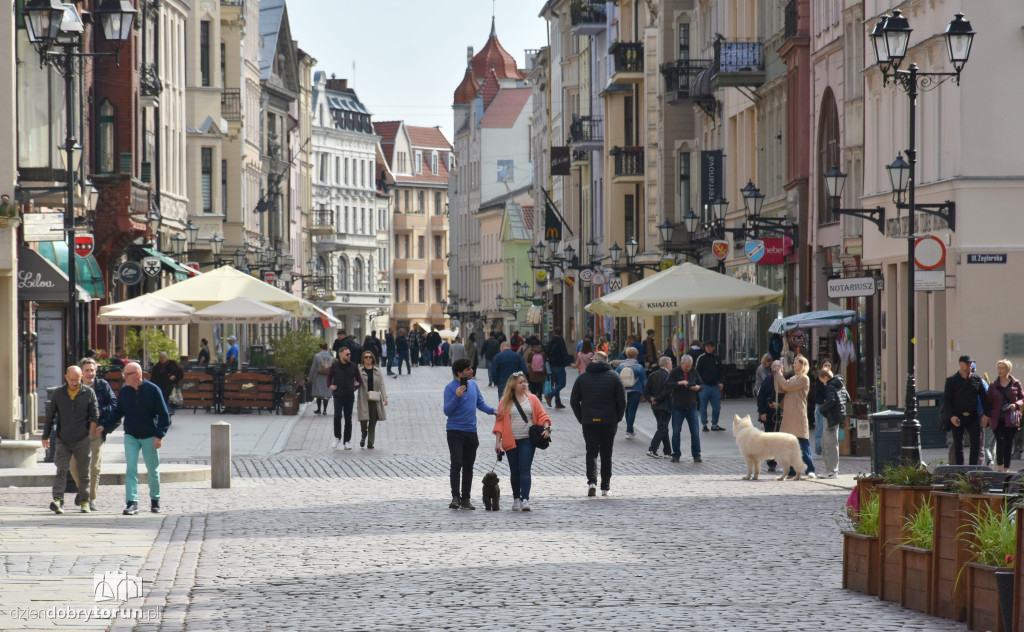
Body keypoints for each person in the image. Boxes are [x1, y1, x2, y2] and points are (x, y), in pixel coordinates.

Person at [95, 362, 170, 515]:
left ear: (137, 374)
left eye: (126, 374)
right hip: (131, 435)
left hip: (150, 434)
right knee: (131, 468)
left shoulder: (153, 390)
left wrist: (159, 435)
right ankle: (132, 502)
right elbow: (118, 412)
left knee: (153, 470)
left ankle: (155, 500)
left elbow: (164, 415)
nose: (124, 377)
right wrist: (104, 425)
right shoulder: (124, 392)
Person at [42, 366, 98, 514]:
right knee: (61, 470)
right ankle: (58, 500)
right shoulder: (59, 393)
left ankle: (84, 501)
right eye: (72, 380)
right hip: (63, 439)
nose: (74, 383)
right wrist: (45, 436)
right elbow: (50, 416)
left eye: (77, 380)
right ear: (66, 377)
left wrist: (90, 435)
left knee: (83, 472)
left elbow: (95, 415)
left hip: (82, 438)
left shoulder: (88, 392)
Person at [444, 358, 498, 509]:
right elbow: (447, 410)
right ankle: (455, 497)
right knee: (456, 463)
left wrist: (493, 411)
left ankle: (466, 499)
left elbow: (480, 403)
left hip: (471, 432)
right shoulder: (450, 388)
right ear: (459, 372)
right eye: (469, 369)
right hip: (455, 431)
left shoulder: (473, 385)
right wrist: (457, 397)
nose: (472, 371)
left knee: (468, 466)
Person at [493, 372, 551, 511]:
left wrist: (547, 428)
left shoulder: (532, 399)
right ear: (513, 385)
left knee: (525, 469)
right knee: (514, 471)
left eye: (524, 382)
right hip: (510, 440)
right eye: (520, 382)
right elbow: (499, 423)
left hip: (527, 440)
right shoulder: (505, 401)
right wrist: (497, 443)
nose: (523, 384)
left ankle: (525, 499)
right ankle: (516, 499)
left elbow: (543, 415)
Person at [571, 351, 626, 496]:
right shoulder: (614, 377)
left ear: (593, 360)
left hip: (589, 421)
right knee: (607, 454)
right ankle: (605, 488)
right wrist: (617, 417)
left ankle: (592, 482)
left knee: (591, 452)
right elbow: (622, 401)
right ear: (606, 361)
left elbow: (574, 401)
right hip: (609, 421)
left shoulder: (582, 377)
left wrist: (581, 417)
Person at [70, 358, 117, 511]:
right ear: (81, 373)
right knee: (74, 465)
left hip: (96, 431)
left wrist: (100, 417)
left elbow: (113, 404)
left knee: (94, 466)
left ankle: (91, 499)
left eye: (93, 370)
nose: (91, 373)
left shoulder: (102, 385)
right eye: (87, 370)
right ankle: (83, 491)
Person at [774, 354, 816, 479]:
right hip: (788, 415)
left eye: (796, 363)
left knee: (802, 443)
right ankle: (791, 470)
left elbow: (786, 386)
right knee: (788, 444)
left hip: (798, 415)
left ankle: (809, 469)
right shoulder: (793, 378)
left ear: (802, 365)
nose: (793, 365)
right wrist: (777, 375)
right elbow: (781, 388)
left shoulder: (804, 379)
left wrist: (780, 375)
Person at [941, 354, 988, 466]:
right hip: (957, 416)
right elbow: (947, 401)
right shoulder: (951, 381)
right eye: (967, 363)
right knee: (958, 444)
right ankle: (960, 469)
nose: (969, 365)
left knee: (976, 443)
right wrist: (951, 416)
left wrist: (986, 415)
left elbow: (985, 399)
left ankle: (973, 469)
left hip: (973, 416)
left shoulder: (976, 379)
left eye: (970, 363)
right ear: (960, 364)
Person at [983, 359, 1023, 473]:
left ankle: (1006, 469)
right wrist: (986, 416)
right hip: (997, 419)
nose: (1000, 370)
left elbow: (1022, 397)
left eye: (1002, 368)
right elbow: (988, 402)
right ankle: (1000, 468)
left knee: (1009, 443)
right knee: (1000, 441)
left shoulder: (1016, 383)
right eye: (998, 368)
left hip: (1011, 419)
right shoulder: (993, 385)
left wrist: (1015, 405)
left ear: (1008, 370)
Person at [664, 354, 704, 463]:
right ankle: (676, 454)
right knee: (676, 431)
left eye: (689, 366)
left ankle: (697, 454)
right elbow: (667, 384)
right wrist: (679, 383)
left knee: (695, 432)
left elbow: (701, 384)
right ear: (681, 364)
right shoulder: (675, 372)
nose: (688, 368)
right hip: (678, 406)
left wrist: (698, 387)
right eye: (686, 366)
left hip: (692, 405)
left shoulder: (694, 371)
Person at [328, 347, 362, 450]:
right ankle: (337, 437)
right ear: (341, 355)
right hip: (338, 395)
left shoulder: (353, 366)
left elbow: (359, 379)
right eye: (347, 354)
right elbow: (329, 377)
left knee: (348, 418)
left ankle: (347, 441)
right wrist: (330, 385)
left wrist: (355, 386)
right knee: (337, 416)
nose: (349, 356)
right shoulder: (335, 365)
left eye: (350, 354)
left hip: (349, 396)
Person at [818, 368, 850, 479]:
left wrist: (822, 409)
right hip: (837, 417)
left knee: (828, 444)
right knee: (833, 443)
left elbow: (831, 401)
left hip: (831, 417)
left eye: (822, 380)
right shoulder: (840, 384)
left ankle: (831, 471)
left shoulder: (831, 386)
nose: (823, 383)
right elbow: (848, 398)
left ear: (825, 377)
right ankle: (832, 470)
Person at [643, 356, 674, 458]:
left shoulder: (652, 375)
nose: (672, 365)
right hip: (664, 405)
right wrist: (657, 398)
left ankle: (667, 451)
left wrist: (651, 399)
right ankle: (652, 449)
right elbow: (667, 392)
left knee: (663, 427)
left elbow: (646, 391)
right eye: (670, 363)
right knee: (662, 427)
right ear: (667, 364)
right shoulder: (668, 376)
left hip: (655, 406)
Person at [356, 350, 388, 449]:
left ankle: (370, 442)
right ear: (363, 359)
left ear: (372, 358)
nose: (368, 359)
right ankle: (363, 435)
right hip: (363, 397)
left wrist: (385, 397)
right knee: (363, 420)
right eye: (366, 357)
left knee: (373, 420)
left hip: (374, 398)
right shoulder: (359, 370)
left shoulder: (377, 371)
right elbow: (354, 382)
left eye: (370, 357)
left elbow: (382, 384)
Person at [615, 347, 647, 439]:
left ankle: (630, 430)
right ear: (636, 356)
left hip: (624, 390)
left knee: (627, 410)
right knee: (632, 410)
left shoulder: (621, 366)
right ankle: (629, 431)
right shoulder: (639, 367)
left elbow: (615, 376)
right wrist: (645, 394)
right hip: (636, 390)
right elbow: (645, 381)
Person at [756, 361, 782, 472]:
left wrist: (780, 405)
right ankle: (771, 462)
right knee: (770, 438)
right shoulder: (767, 381)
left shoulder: (785, 380)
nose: (776, 369)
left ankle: (781, 460)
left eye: (779, 367)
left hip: (782, 414)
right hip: (769, 413)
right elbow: (761, 397)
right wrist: (762, 412)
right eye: (774, 367)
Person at [695, 341, 725, 432]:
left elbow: (721, 371)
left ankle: (714, 424)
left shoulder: (717, 358)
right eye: (707, 347)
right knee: (703, 407)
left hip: (715, 386)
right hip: (704, 386)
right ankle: (704, 424)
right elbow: (697, 371)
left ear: (714, 348)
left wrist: (721, 382)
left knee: (716, 407)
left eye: (710, 347)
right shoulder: (701, 358)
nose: (709, 348)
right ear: (705, 348)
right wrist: (698, 383)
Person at [150, 352, 184, 416]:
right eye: (161, 357)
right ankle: (164, 415)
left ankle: (169, 415)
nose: (162, 359)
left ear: (167, 357)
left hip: (171, 387)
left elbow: (180, 374)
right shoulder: (156, 367)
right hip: (160, 387)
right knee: (162, 402)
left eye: (164, 357)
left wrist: (175, 376)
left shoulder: (173, 364)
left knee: (170, 402)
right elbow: (153, 378)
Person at [811, 359, 833, 457]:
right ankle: (818, 450)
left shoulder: (832, 378)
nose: (827, 367)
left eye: (829, 365)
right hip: (821, 405)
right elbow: (822, 392)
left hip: (828, 405)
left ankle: (826, 450)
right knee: (820, 427)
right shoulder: (820, 379)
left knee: (828, 428)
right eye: (825, 365)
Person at [545, 328, 571, 409]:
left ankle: (557, 402)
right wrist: (568, 362)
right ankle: (550, 395)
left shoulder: (551, 341)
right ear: (561, 333)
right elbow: (564, 353)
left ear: (554, 332)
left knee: (557, 384)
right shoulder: (560, 341)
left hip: (552, 365)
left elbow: (546, 351)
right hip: (559, 365)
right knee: (562, 384)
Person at [308, 342, 334, 415]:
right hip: (328, 377)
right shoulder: (331, 357)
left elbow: (313, 368)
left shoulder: (317, 356)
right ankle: (325, 410)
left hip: (318, 376)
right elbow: (333, 368)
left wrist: (310, 377)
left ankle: (319, 409)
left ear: (320, 348)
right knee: (326, 394)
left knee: (318, 394)